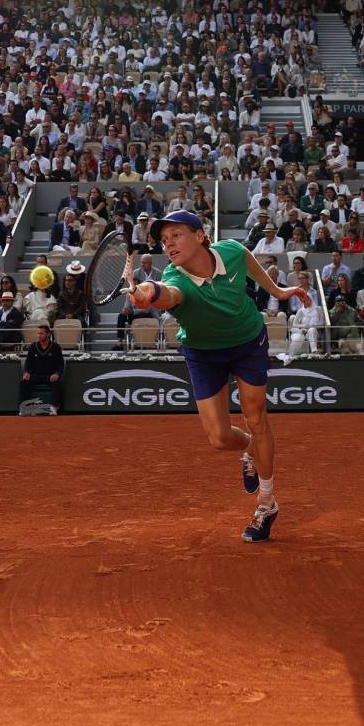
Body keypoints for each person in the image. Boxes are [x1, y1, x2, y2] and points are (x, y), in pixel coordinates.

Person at [125, 208, 310, 542]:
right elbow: (164, 293)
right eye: (164, 240)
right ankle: (252, 449)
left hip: (248, 343)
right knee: (220, 438)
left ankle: (266, 504)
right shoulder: (176, 279)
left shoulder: (232, 251)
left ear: (200, 236)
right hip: (203, 354)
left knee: (257, 417)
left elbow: (251, 265)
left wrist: (280, 292)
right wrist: (146, 293)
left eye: (176, 235)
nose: (169, 244)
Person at [20, 322, 65, 412]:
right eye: (38, 333)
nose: (39, 335)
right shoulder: (33, 346)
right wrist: (26, 372)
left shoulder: (56, 347)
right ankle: (26, 407)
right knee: (23, 383)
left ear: (48, 334)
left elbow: (60, 363)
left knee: (58, 383)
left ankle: (53, 407)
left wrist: (57, 374)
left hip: (49, 375)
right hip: (35, 375)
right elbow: (28, 362)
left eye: (42, 333)